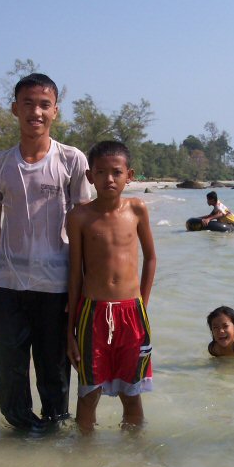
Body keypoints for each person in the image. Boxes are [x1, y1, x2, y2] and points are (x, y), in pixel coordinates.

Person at [0, 73, 92, 431]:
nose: (36, 112)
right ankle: (23, 436)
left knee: (54, 375)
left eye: (44, 105)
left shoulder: (71, 160)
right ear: (15, 109)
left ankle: (54, 442)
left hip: (56, 287)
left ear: (55, 111)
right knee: (10, 376)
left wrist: (82, 290)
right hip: (6, 284)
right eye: (28, 104)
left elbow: (86, 227)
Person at [66, 140, 156, 432]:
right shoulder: (79, 217)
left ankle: (132, 454)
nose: (109, 179)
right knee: (88, 392)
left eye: (116, 172)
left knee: (132, 393)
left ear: (129, 175)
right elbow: (75, 274)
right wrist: (70, 330)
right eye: (101, 172)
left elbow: (151, 258)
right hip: (92, 313)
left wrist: (142, 305)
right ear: (89, 176)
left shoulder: (137, 209)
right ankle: (85, 453)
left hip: (132, 313)